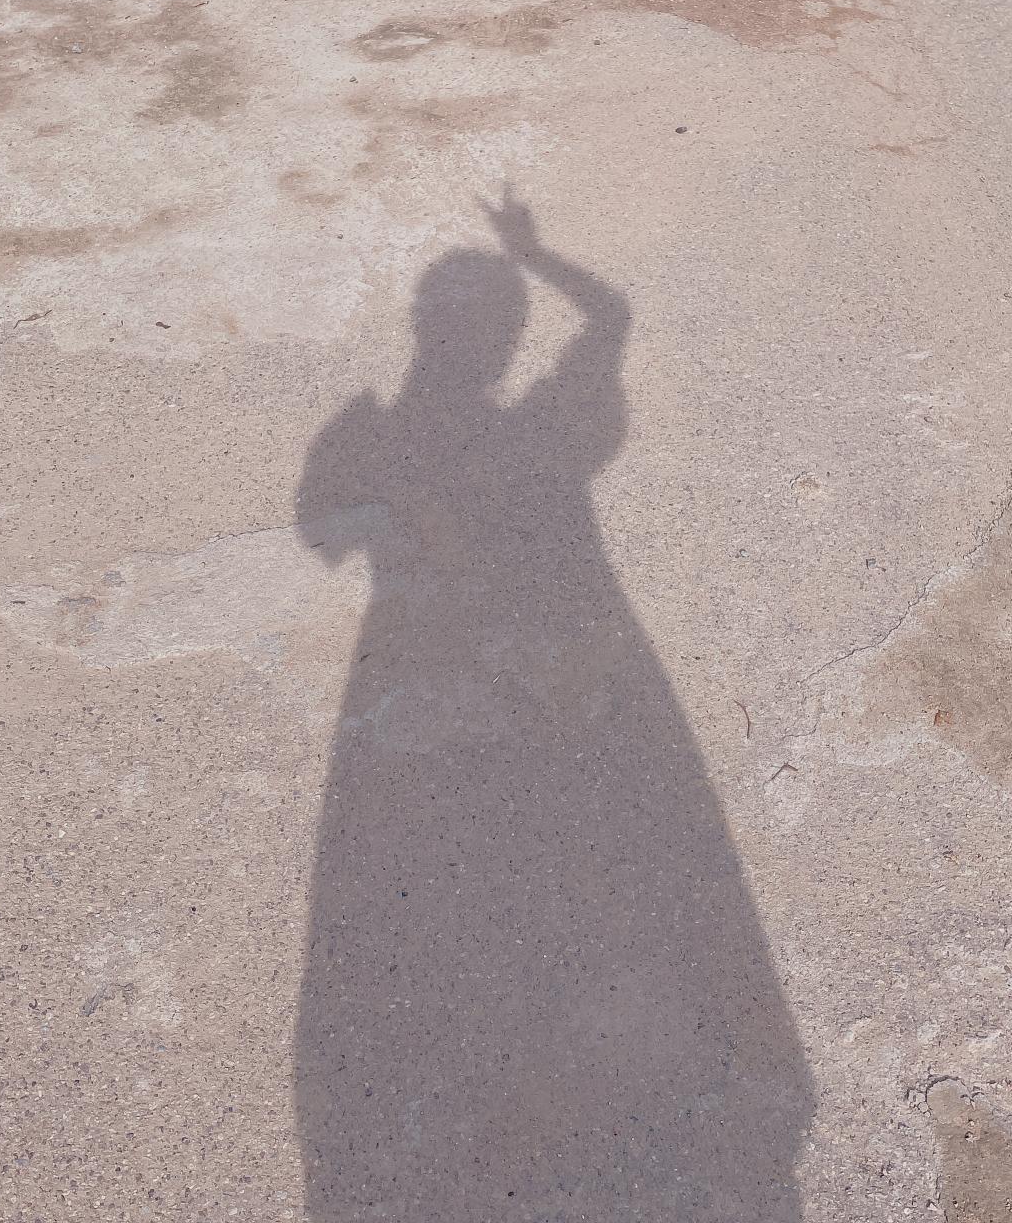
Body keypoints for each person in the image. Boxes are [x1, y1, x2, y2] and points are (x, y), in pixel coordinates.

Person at [294, 191, 812, 1220]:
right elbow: (611, 317)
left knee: (461, 871)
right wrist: (536, 258)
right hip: (575, 676)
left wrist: (401, 503)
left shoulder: (399, 434)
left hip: (442, 683)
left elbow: (321, 530)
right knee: (590, 857)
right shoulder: (546, 430)